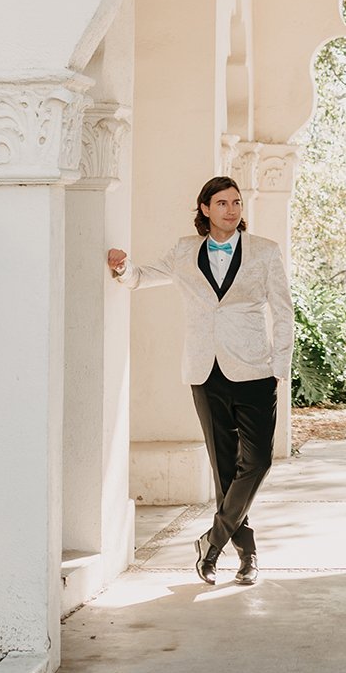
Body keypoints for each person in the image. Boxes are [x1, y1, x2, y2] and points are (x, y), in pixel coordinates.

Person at [107, 174, 294, 587]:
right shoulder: (184, 250)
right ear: (205, 209)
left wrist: (280, 366)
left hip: (255, 370)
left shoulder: (264, 252)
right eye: (223, 203)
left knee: (258, 461)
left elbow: (283, 312)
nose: (232, 210)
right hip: (204, 372)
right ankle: (247, 557)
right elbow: (144, 276)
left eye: (236, 203)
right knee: (224, 467)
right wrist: (122, 268)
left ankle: (212, 541)